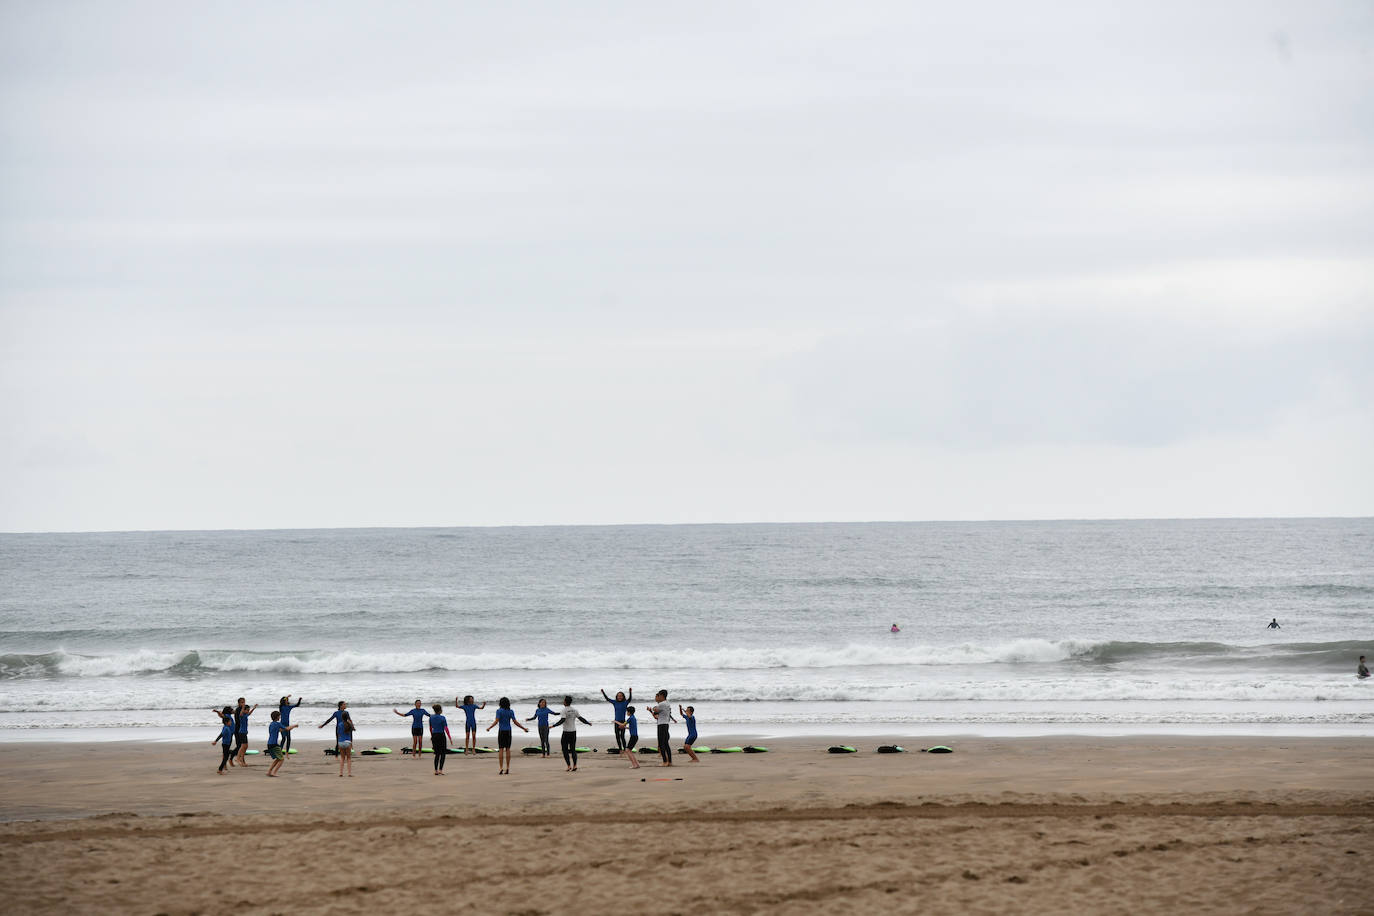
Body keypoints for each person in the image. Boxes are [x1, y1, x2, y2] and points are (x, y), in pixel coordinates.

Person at [486, 697, 528, 775]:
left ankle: (501, 768)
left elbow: (496, 721)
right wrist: (524, 728)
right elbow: (515, 722)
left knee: (501, 749)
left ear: (500, 703)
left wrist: (489, 728)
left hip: (501, 731)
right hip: (508, 731)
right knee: (508, 749)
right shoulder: (510, 711)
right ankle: (508, 768)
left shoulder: (499, 711)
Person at [549, 695, 592, 772]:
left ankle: (569, 766)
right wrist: (588, 723)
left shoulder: (564, 710)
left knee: (564, 749)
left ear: (565, 702)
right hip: (573, 732)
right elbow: (581, 718)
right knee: (573, 749)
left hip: (566, 733)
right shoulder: (574, 710)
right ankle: (575, 765)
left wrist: (553, 726)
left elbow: (562, 720)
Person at [318, 701, 354, 777]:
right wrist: (323, 725)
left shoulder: (346, 712)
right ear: (340, 706)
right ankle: (336, 755)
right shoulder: (336, 713)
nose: (345, 705)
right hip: (340, 728)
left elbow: (350, 720)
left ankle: (341, 755)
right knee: (338, 741)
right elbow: (330, 719)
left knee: (342, 740)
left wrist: (352, 726)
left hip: (344, 728)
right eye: (344, 704)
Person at [648, 690, 675, 766]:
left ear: (662, 696)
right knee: (666, 744)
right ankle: (669, 761)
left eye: (659, 695)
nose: (658, 697)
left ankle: (665, 761)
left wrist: (653, 708)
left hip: (661, 725)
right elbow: (657, 713)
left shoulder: (662, 704)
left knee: (661, 744)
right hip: (666, 724)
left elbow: (655, 709)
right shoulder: (667, 703)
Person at [265, 711, 296, 777]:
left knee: (278, 759)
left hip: (269, 744)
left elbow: (280, 730)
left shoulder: (271, 724)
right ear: (277, 717)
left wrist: (288, 729)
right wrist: (294, 726)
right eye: (279, 716)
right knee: (281, 759)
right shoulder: (278, 724)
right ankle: (274, 773)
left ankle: (269, 772)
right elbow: (287, 728)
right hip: (274, 744)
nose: (280, 717)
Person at [429, 704, 453, 775]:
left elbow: (430, 728)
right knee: (443, 753)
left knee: (437, 754)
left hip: (434, 736)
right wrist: (449, 737)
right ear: (440, 710)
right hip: (441, 736)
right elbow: (446, 728)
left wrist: (432, 736)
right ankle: (440, 770)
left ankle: (435, 770)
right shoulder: (442, 718)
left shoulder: (431, 718)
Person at [234, 699, 258, 767]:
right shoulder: (241, 716)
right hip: (241, 732)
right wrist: (243, 707)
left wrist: (254, 708)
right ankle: (238, 758)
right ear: (244, 710)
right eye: (246, 710)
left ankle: (241, 758)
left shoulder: (245, 715)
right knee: (242, 746)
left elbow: (249, 713)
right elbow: (241, 713)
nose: (247, 711)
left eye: (248, 710)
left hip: (244, 732)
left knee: (246, 746)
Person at [212, 706, 235, 774]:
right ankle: (221, 768)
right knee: (226, 756)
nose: (231, 722)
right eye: (230, 721)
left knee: (226, 754)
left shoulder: (228, 720)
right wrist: (215, 741)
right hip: (226, 741)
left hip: (228, 738)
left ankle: (222, 767)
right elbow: (221, 735)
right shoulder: (226, 719)